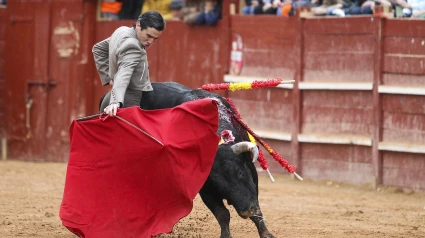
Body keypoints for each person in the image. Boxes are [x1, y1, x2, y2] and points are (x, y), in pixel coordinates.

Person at [92, 11, 166, 116]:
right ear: (138, 25)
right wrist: (115, 102)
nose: (150, 41)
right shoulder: (133, 45)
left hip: (111, 96)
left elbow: (98, 49)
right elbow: (124, 73)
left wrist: (108, 78)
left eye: (155, 38)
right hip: (128, 102)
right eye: (148, 36)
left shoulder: (121, 31)